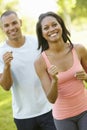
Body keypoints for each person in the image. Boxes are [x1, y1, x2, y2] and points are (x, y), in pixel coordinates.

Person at [0, 10, 56, 130]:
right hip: (23, 116)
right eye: (6, 25)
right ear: (2, 28)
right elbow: (5, 86)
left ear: (20, 23)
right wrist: (6, 66)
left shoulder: (37, 43)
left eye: (14, 23)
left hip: (48, 108)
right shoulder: (1, 52)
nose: (11, 28)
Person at [34, 11, 87, 130]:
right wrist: (54, 81)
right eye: (46, 28)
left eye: (54, 24)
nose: (51, 29)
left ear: (61, 26)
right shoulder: (40, 62)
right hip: (63, 117)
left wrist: (86, 77)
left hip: (85, 109)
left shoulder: (79, 49)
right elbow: (51, 99)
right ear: (42, 34)